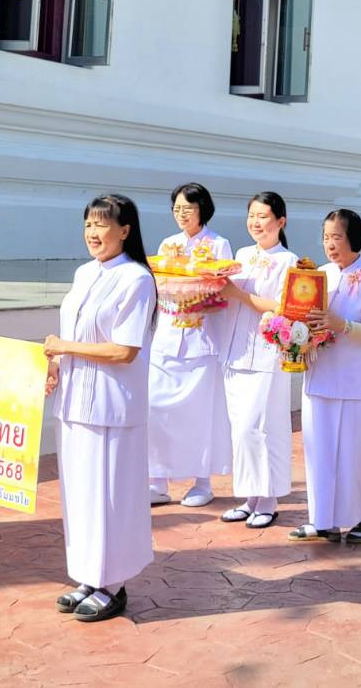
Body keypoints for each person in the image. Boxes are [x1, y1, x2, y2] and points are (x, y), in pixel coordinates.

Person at [44, 194, 157, 623]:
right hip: (74, 402)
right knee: (80, 496)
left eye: (102, 224)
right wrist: (56, 363)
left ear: (124, 231)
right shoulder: (84, 273)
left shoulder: (136, 279)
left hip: (112, 406)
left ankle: (112, 584)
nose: (93, 232)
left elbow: (124, 350)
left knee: (109, 497)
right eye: (89, 223)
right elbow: (74, 335)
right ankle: (88, 576)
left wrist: (64, 346)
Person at [291, 209, 361, 544]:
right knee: (318, 452)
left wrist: (343, 326)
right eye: (326, 237)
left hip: (356, 380)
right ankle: (322, 520)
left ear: (354, 238)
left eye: (336, 236)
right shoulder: (318, 275)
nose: (330, 244)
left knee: (355, 453)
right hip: (320, 376)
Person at [147, 183, 233, 508]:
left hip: (202, 338)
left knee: (200, 414)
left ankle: (202, 482)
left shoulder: (218, 244)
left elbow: (224, 289)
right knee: (157, 409)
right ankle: (157, 481)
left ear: (202, 210)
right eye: (177, 209)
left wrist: (201, 298)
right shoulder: (167, 245)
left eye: (188, 208)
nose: (181, 214)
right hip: (167, 337)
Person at [217, 192, 299, 528]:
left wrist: (236, 294)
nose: (255, 222)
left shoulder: (289, 261)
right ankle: (250, 497)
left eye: (263, 216)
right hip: (235, 351)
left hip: (267, 354)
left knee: (262, 427)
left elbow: (283, 307)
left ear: (281, 221)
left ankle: (269, 499)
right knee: (241, 430)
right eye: (251, 215)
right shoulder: (241, 255)